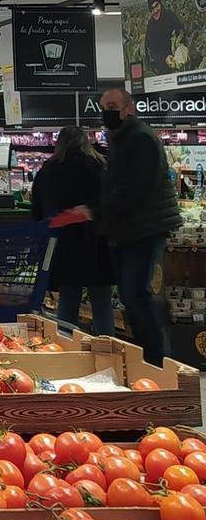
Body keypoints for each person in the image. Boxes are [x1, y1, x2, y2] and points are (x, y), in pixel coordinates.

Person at [95, 88, 183, 364]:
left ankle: (158, 360)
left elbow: (134, 189)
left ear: (128, 108)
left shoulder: (140, 139)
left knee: (138, 295)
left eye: (112, 105)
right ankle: (147, 357)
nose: (107, 111)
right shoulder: (121, 139)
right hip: (128, 230)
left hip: (145, 228)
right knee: (131, 295)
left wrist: (98, 213)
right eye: (103, 107)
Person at [29, 126, 115, 336]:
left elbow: (37, 208)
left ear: (59, 143)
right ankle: (109, 347)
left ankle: (67, 345)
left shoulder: (48, 170)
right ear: (85, 141)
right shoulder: (99, 166)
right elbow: (111, 204)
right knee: (102, 302)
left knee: (68, 300)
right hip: (96, 243)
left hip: (63, 243)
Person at [145, 0, 187, 75]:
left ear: (160, 4)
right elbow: (150, 51)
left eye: (157, 6)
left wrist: (178, 53)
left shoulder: (170, 17)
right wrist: (164, 59)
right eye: (152, 9)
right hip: (162, 69)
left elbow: (182, 35)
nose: (155, 10)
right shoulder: (150, 27)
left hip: (179, 61)